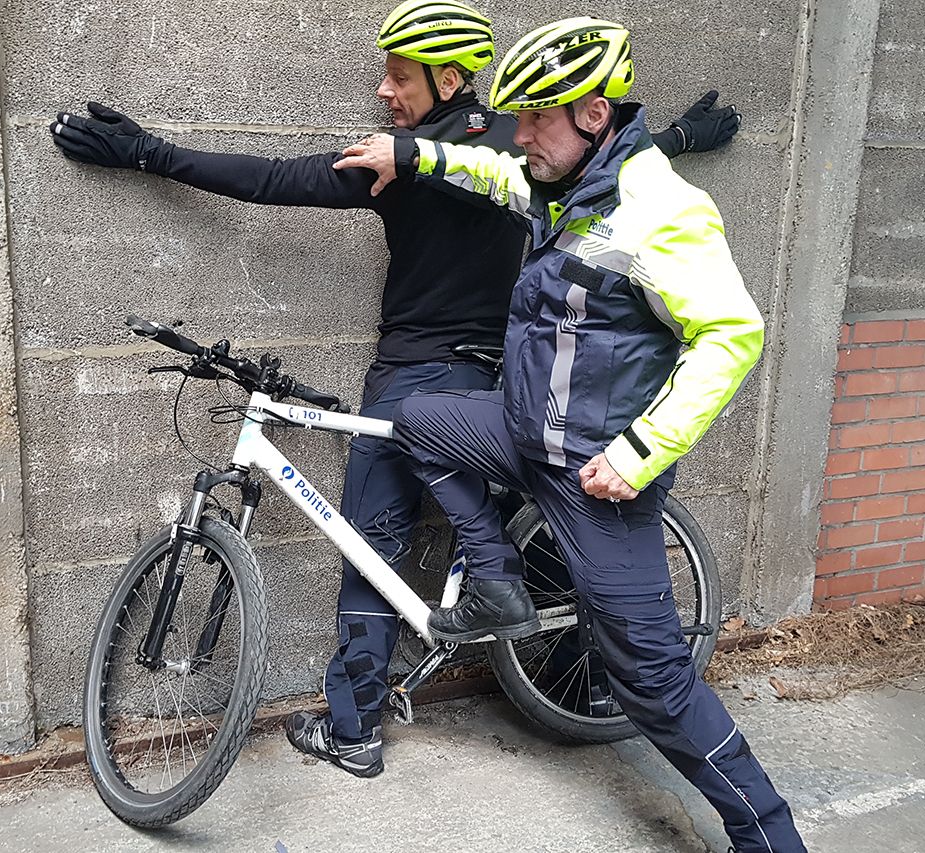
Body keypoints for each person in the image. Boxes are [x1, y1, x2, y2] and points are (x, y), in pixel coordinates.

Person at [48, 0, 740, 780]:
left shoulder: (408, 158)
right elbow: (606, 149)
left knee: (371, 545)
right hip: (503, 379)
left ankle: (354, 729)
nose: (383, 90)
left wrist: (150, 152)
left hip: (420, 372)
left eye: (399, 76)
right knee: (511, 526)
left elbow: (279, 180)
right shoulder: (524, 142)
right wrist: (685, 136)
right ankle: (523, 615)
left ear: (449, 78)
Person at [334, 17, 805, 852]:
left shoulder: (664, 210)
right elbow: (487, 170)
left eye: (536, 120)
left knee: (653, 684)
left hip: (594, 476)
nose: (521, 136)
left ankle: (768, 834)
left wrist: (640, 452)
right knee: (413, 418)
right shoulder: (561, 185)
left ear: (593, 113)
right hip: (519, 431)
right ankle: (499, 579)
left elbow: (733, 334)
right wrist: (408, 155)